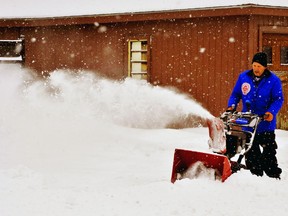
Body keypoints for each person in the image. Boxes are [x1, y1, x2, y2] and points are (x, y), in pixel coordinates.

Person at [227, 52, 284, 178]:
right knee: (251, 152)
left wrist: (271, 112)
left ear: (264, 67)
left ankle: (272, 175)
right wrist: (232, 105)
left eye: (259, 66)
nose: (256, 69)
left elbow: (278, 99)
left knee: (269, 152)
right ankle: (255, 176)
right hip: (248, 122)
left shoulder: (273, 80)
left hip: (265, 123)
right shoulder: (243, 77)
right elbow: (235, 94)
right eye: (254, 65)